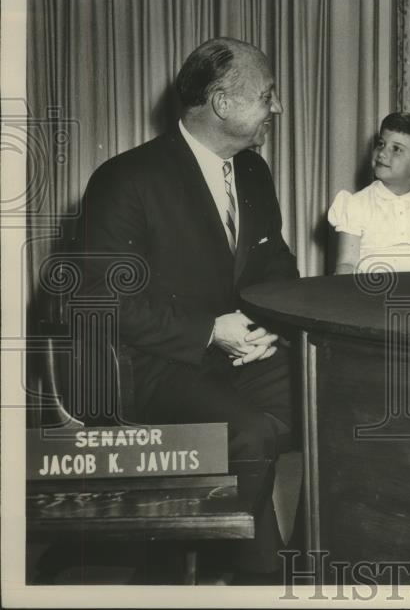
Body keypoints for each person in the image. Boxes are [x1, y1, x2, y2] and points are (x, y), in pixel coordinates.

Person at [80, 37, 298, 582]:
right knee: (250, 434)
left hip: (238, 359)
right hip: (153, 367)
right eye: (267, 94)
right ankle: (250, 577)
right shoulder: (125, 179)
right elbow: (104, 304)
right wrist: (210, 332)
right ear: (223, 103)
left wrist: (275, 331)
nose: (277, 107)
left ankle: (290, 557)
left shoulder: (252, 173)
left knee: (332, 401)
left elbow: (275, 273)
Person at [328, 111, 410, 274]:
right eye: (381, 144)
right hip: (368, 292)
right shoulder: (356, 204)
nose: (382, 153)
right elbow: (346, 264)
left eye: (396, 149)